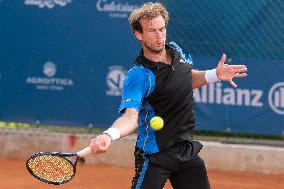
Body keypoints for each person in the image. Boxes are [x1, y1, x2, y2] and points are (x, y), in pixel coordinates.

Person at [89, 2, 247, 189]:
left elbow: (185, 79)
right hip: (155, 156)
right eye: (152, 31)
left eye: (162, 29)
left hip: (184, 150)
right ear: (138, 34)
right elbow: (131, 117)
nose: (159, 36)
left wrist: (214, 75)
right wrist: (109, 134)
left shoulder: (175, 50)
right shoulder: (139, 75)